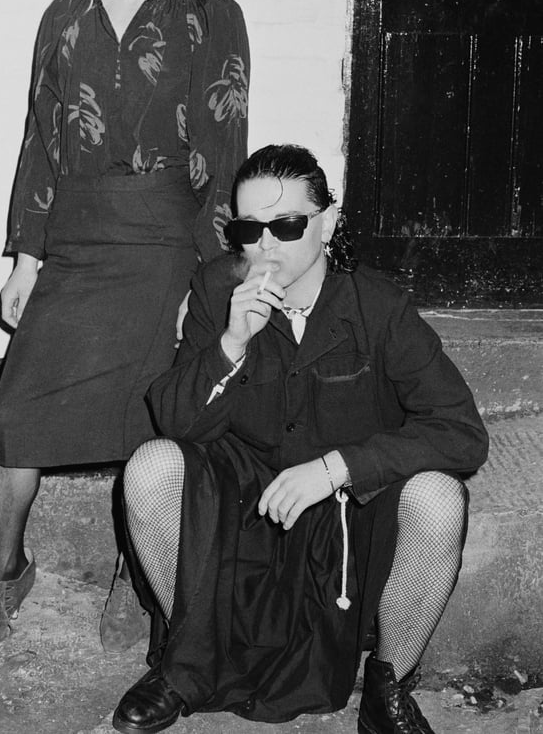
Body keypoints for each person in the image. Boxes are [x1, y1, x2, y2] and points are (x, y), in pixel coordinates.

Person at [0, 0, 249, 656]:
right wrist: (28, 257)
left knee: (148, 420)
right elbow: (41, 143)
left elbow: (224, 150)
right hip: (78, 239)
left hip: (165, 242)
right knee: (11, 416)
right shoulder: (64, 13)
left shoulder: (211, 14)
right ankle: (6, 572)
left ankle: (139, 571)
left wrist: (209, 276)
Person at [112, 144, 488, 734]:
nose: (265, 245)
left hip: (344, 519)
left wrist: (338, 467)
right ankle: (182, 664)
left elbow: (462, 432)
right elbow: (176, 423)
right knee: (151, 465)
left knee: (437, 497)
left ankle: (387, 688)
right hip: (244, 516)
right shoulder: (216, 291)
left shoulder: (378, 306)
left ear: (326, 223)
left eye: (286, 225)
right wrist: (232, 343)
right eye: (249, 228)